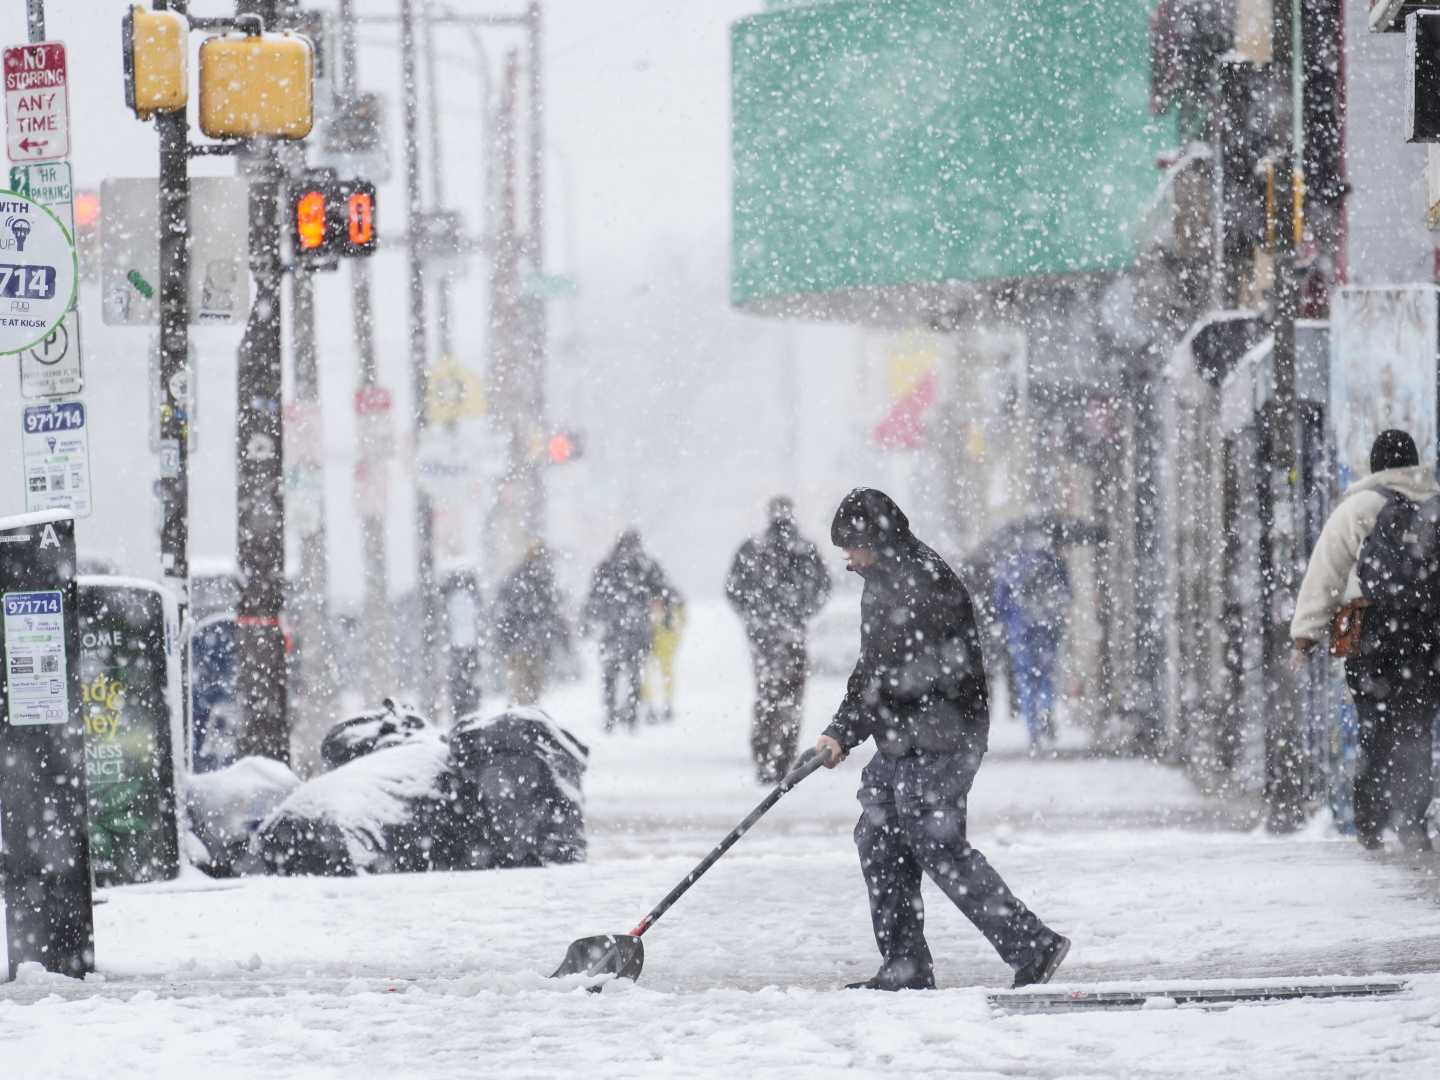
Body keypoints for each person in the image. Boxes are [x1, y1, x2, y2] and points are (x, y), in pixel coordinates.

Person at [814, 487, 1069, 991]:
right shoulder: (884, 579)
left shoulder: (923, 582)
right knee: (879, 837)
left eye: (852, 544)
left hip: (942, 735)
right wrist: (840, 730)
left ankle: (1032, 945)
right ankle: (904, 966)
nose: (848, 555)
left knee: (936, 843)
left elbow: (903, 676)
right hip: (902, 735)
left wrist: (849, 729)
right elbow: (873, 669)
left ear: (876, 539)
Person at [1291, 429, 1440, 851]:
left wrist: (1305, 635)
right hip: (1425, 638)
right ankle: (1412, 820)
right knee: (1416, 729)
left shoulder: (1359, 506)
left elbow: (1326, 573)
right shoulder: (1433, 508)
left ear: (1376, 466)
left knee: (1375, 728)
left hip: (1367, 636)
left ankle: (1371, 823)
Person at [726, 496, 833, 782]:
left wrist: (755, 616)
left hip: (765, 634)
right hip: (790, 632)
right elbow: (823, 586)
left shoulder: (754, 548)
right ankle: (783, 757)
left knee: (767, 694)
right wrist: (800, 612)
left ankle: (765, 756)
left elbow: (733, 589)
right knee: (791, 698)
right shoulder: (804, 549)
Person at [582, 531, 679, 732]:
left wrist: (588, 619)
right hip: (637, 628)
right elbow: (664, 591)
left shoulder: (607, 567)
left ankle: (612, 713)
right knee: (634, 673)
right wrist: (667, 615)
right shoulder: (644, 565)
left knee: (612, 674)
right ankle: (630, 713)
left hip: (614, 629)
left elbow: (593, 596)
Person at [992, 540, 1072, 751]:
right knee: (1046, 674)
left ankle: (1033, 730)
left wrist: (1011, 619)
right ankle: (1046, 707)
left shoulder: (1011, 565)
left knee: (1026, 679)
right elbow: (1067, 594)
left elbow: (999, 602)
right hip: (1048, 627)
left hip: (1021, 630)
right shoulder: (1052, 561)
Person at [493, 543, 571, 706]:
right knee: (523, 689)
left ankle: (526, 720)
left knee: (529, 689)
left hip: (531, 642)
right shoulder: (526, 581)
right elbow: (509, 611)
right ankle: (523, 721)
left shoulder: (540, 580)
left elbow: (551, 613)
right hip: (522, 642)